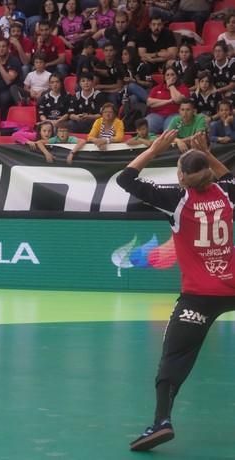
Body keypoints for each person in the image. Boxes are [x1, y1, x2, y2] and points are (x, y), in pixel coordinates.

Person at [117, 129, 235, 452]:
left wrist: (154, 150)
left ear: (181, 177)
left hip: (199, 295)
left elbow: (124, 180)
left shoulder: (176, 200)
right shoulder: (227, 194)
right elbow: (227, 178)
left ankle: (161, 422)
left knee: (174, 357)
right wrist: (208, 153)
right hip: (232, 286)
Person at [145, 66, 190, 133]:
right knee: (148, 124)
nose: (170, 77)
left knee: (169, 131)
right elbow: (149, 102)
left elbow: (177, 100)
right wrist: (169, 101)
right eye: (167, 75)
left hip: (174, 114)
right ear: (164, 77)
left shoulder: (183, 88)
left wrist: (171, 85)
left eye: (172, 74)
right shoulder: (157, 88)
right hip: (156, 115)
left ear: (177, 76)